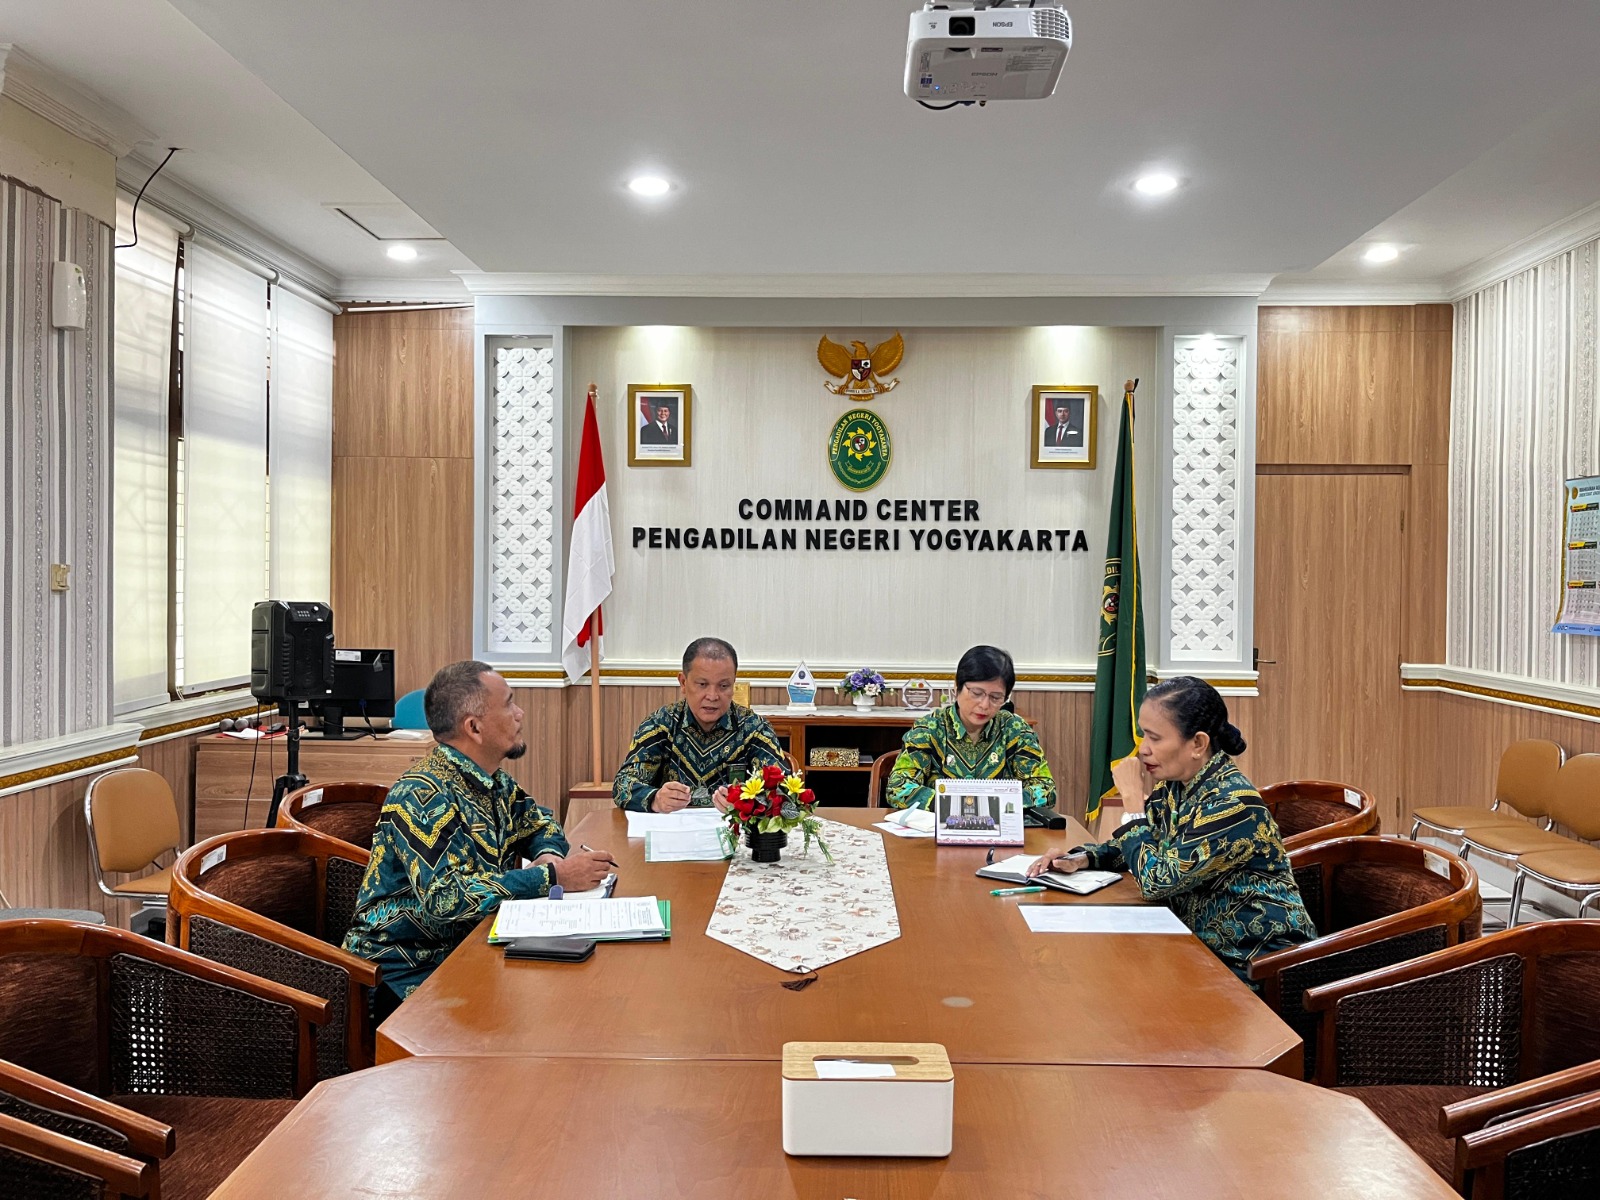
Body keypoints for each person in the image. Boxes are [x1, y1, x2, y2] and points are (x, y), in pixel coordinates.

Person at [343, 660, 615, 1017]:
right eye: (509, 704)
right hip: (401, 971)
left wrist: (548, 854)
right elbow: (446, 900)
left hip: (474, 946)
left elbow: (540, 824)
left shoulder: (492, 781)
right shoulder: (423, 794)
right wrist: (552, 877)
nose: (519, 714)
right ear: (473, 727)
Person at [1027, 676, 1314, 988]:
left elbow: (1157, 881)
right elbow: (1138, 843)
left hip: (1254, 966)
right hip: (1196, 946)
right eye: (1142, 735)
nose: (1143, 750)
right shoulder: (1177, 786)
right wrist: (1080, 858)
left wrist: (1133, 803)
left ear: (1198, 744)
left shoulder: (1232, 804)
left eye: (1154, 738)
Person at [612, 637, 786, 812]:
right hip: (673, 833)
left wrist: (748, 804)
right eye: (702, 684)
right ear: (683, 682)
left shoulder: (754, 728)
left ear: (734, 684)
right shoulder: (661, 724)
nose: (712, 696)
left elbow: (784, 791)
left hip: (733, 834)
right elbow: (623, 785)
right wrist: (655, 799)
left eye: (723, 686)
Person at [886, 645, 1056, 811]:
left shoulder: (1015, 730)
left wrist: (988, 806)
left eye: (996, 697)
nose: (984, 705)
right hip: (937, 833)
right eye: (976, 693)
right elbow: (898, 788)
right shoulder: (929, 729)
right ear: (956, 686)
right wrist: (956, 806)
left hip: (1000, 832)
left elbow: (1045, 790)